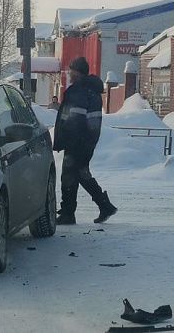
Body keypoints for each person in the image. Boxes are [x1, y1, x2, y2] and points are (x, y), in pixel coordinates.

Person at [53, 57, 117, 225]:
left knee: (69, 176)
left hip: (76, 142)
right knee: (79, 174)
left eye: (71, 70)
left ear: (77, 72)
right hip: (87, 141)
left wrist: (66, 139)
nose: (69, 73)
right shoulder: (92, 91)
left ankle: (70, 213)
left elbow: (75, 118)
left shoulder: (78, 91)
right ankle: (103, 206)